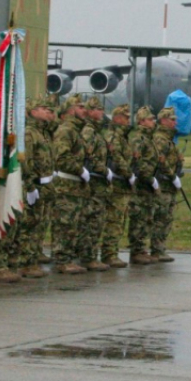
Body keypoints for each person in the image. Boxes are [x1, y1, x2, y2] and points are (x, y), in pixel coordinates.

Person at [15, 94, 57, 278]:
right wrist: (31, 186)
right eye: (42, 108)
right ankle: (25, 262)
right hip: (35, 186)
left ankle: (33, 259)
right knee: (29, 225)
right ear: (32, 112)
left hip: (46, 185)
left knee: (40, 225)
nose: (48, 111)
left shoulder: (43, 132)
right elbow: (26, 161)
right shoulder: (29, 133)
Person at [51, 94, 90, 274]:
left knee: (72, 224)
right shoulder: (66, 130)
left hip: (75, 185)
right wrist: (80, 169)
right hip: (66, 184)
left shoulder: (76, 131)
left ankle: (67, 258)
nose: (84, 110)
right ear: (71, 110)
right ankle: (61, 259)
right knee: (64, 223)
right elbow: (61, 158)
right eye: (80, 107)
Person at [79, 96, 112, 271]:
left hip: (99, 183)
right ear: (90, 111)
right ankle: (87, 256)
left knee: (97, 220)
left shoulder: (97, 131)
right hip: (92, 182)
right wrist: (104, 170)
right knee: (90, 221)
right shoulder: (89, 131)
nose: (101, 112)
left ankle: (91, 255)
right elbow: (87, 156)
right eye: (98, 109)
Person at [100, 104, 133, 268]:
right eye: (125, 117)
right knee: (113, 220)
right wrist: (128, 174)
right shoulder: (114, 137)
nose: (128, 120)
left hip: (123, 185)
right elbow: (116, 158)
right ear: (117, 118)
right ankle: (109, 253)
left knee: (119, 221)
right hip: (117, 185)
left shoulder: (122, 137)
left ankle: (112, 252)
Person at [127, 106, 161, 265]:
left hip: (147, 186)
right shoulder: (138, 139)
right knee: (138, 218)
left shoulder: (149, 139)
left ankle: (141, 248)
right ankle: (136, 250)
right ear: (141, 121)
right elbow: (137, 163)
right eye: (150, 119)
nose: (153, 122)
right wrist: (149, 178)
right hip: (141, 185)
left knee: (146, 218)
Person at [150, 106, 183, 263]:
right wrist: (172, 176)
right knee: (161, 217)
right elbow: (160, 161)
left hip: (169, 185)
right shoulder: (160, 140)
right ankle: (156, 249)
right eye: (172, 119)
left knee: (167, 217)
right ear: (163, 120)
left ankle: (160, 248)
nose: (175, 123)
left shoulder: (168, 140)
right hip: (163, 183)